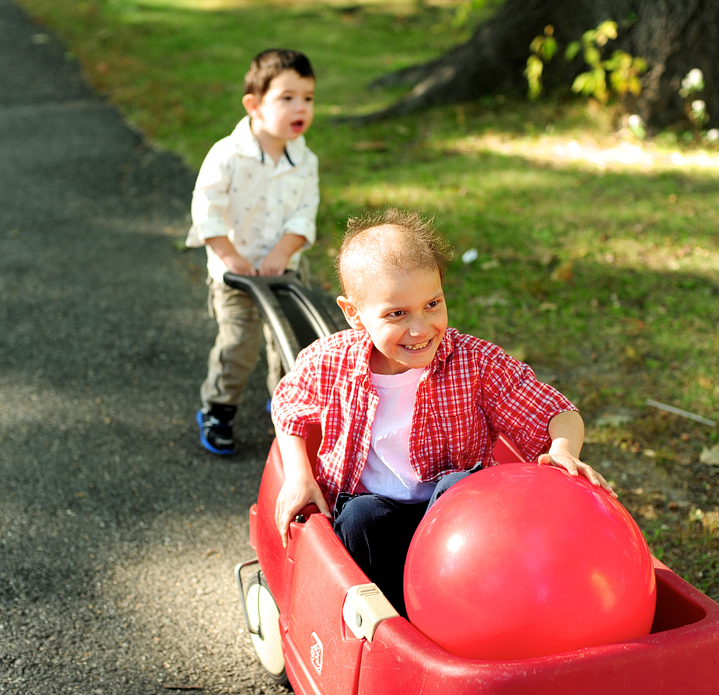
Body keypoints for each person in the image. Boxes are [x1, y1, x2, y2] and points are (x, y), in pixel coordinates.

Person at [269, 208, 614, 614]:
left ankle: (459, 609)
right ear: (353, 313)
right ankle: (393, 621)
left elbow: (557, 411)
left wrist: (562, 451)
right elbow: (289, 404)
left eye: (432, 303)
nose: (420, 328)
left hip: (458, 530)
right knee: (362, 518)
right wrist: (298, 475)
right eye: (397, 314)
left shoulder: (475, 362)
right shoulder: (330, 361)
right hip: (377, 518)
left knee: (460, 487)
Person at [185, 49, 319, 456]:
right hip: (235, 274)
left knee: (292, 341)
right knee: (240, 343)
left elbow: (304, 212)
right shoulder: (228, 154)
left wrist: (283, 252)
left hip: (284, 270)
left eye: (309, 98)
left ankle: (286, 401)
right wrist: (230, 257)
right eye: (288, 98)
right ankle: (218, 409)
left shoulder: (304, 159)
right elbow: (206, 209)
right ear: (254, 105)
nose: (301, 107)